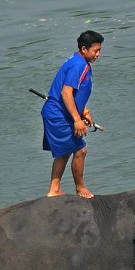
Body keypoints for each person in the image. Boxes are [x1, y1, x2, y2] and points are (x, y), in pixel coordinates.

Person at [41, 30, 104, 198]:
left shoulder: (79, 61)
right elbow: (66, 93)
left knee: (65, 151)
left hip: (60, 113)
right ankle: (80, 188)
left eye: (99, 50)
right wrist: (77, 119)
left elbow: (76, 93)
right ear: (84, 49)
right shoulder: (79, 65)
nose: (98, 54)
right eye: (95, 50)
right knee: (80, 150)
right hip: (58, 115)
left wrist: (84, 111)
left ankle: (54, 189)